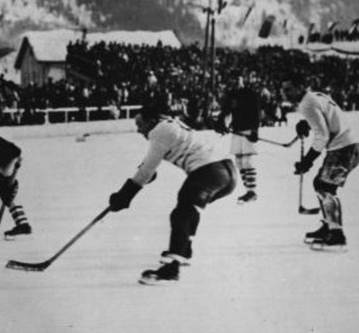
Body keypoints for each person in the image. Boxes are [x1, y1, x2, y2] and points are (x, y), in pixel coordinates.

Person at [108, 101, 236, 284]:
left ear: (151, 121)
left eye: (140, 125)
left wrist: (124, 197)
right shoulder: (170, 124)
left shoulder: (159, 131)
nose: (139, 130)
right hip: (227, 174)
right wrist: (144, 174)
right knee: (190, 209)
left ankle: (171, 268)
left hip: (209, 172)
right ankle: (184, 251)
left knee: (181, 213)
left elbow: (147, 170)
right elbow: (148, 166)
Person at [292, 88, 359, 248]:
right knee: (321, 184)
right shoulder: (315, 96)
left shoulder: (306, 104)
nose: (286, 92)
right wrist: (307, 123)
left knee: (325, 187)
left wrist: (307, 161)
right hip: (350, 145)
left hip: (343, 147)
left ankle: (336, 234)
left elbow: (322, 136)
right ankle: (328, 226)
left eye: (289, 88)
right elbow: (327, 119)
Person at [216, 76, 261, 204]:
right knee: (239, 162)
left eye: (238, 80)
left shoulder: (251, 94)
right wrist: (221, 123)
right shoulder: (231, 95)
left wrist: (255, 130)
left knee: (247, 161)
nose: (235, 82)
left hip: (248, 130)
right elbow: (225, 111)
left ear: (243, 81)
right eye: (233, 80)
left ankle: (252, 191)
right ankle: (249, 191)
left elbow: (256, 113)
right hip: (237, 130)